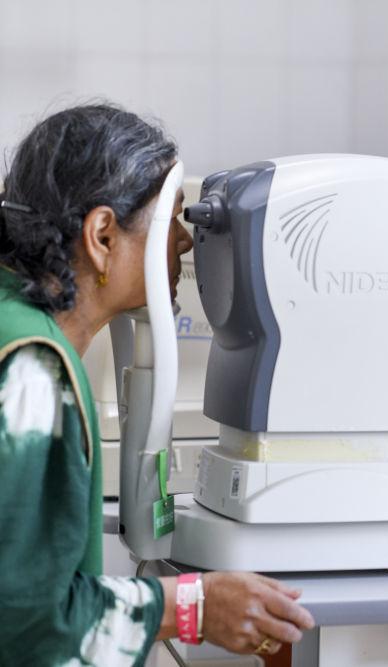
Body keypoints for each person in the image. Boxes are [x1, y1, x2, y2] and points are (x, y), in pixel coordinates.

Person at [0, 105, 314, 665]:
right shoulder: (34, 371)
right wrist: (191, 607)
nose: (186, 242)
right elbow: (25, 620)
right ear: (102, 236)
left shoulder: (14, 323)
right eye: (170, 219)